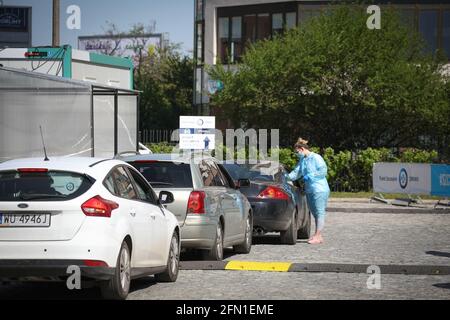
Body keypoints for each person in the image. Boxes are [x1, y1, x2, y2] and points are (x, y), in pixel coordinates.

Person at [285, 138, 330, 245]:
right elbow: (296, 173)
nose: (297, 154)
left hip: (319, 189)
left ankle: (318, 236)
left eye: (297, 152)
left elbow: (323, 171)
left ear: (302, 149)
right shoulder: (303, 160)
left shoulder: (316, 157)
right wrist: (285, 177)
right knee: (315, 213)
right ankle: (318, 235)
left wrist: (310, 176)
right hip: (310, 190)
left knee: (319, 212)